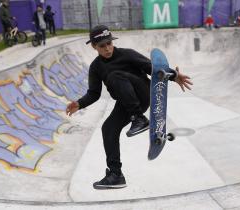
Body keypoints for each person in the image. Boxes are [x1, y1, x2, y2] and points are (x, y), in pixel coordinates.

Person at [66, 25, 193, 189]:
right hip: (126, 104)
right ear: (94, 47)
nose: (107, 49)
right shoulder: (96, 67)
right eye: (102, 46)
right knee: (108, 128)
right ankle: (116, 175)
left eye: (109, 44)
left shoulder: (126, 54)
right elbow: (94, 93)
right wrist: (80, 103)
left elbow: (153, 68)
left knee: (114, 75)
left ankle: (140, 119)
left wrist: (174, 76)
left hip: (143, 93)